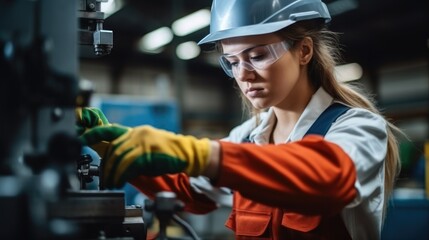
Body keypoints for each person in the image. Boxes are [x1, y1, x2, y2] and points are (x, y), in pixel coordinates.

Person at [77, 0, 402, 239]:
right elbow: (189, 190)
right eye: (231, 61)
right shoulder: (246, 137)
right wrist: (114, 147)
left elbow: (329, 176)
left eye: (257, 56)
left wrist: (205, 155)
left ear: (304, 51)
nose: (243, 75)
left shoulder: (357, 127)